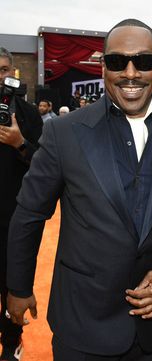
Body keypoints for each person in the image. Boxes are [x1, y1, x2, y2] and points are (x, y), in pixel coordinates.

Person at [6, 20, 152, 361]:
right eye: (118, 62)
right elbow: (30, 213)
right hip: (82, 321)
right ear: (103, 67)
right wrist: (18, 287)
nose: (130, 73)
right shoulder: (65, 133)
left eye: (144, 62)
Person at [0, 47, 43, 361]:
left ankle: (11, 344)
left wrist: (20, 144)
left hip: (11, 220)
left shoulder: (27, 114)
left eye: (2, 70)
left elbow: (44, 169)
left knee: (10, 289)